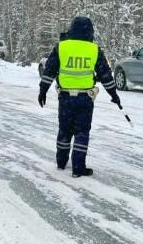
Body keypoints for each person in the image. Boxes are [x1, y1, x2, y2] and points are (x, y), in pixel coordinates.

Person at [38, 16, 120, 178]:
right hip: (85, 98)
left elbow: (50, 70)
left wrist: (43, 90)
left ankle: (61, 162)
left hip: (65, 97)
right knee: (82, 132)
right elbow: (105, 75)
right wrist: (114, 95)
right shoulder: (94, 50)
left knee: (64, 129)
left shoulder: (62, 47)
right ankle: (78, 167)